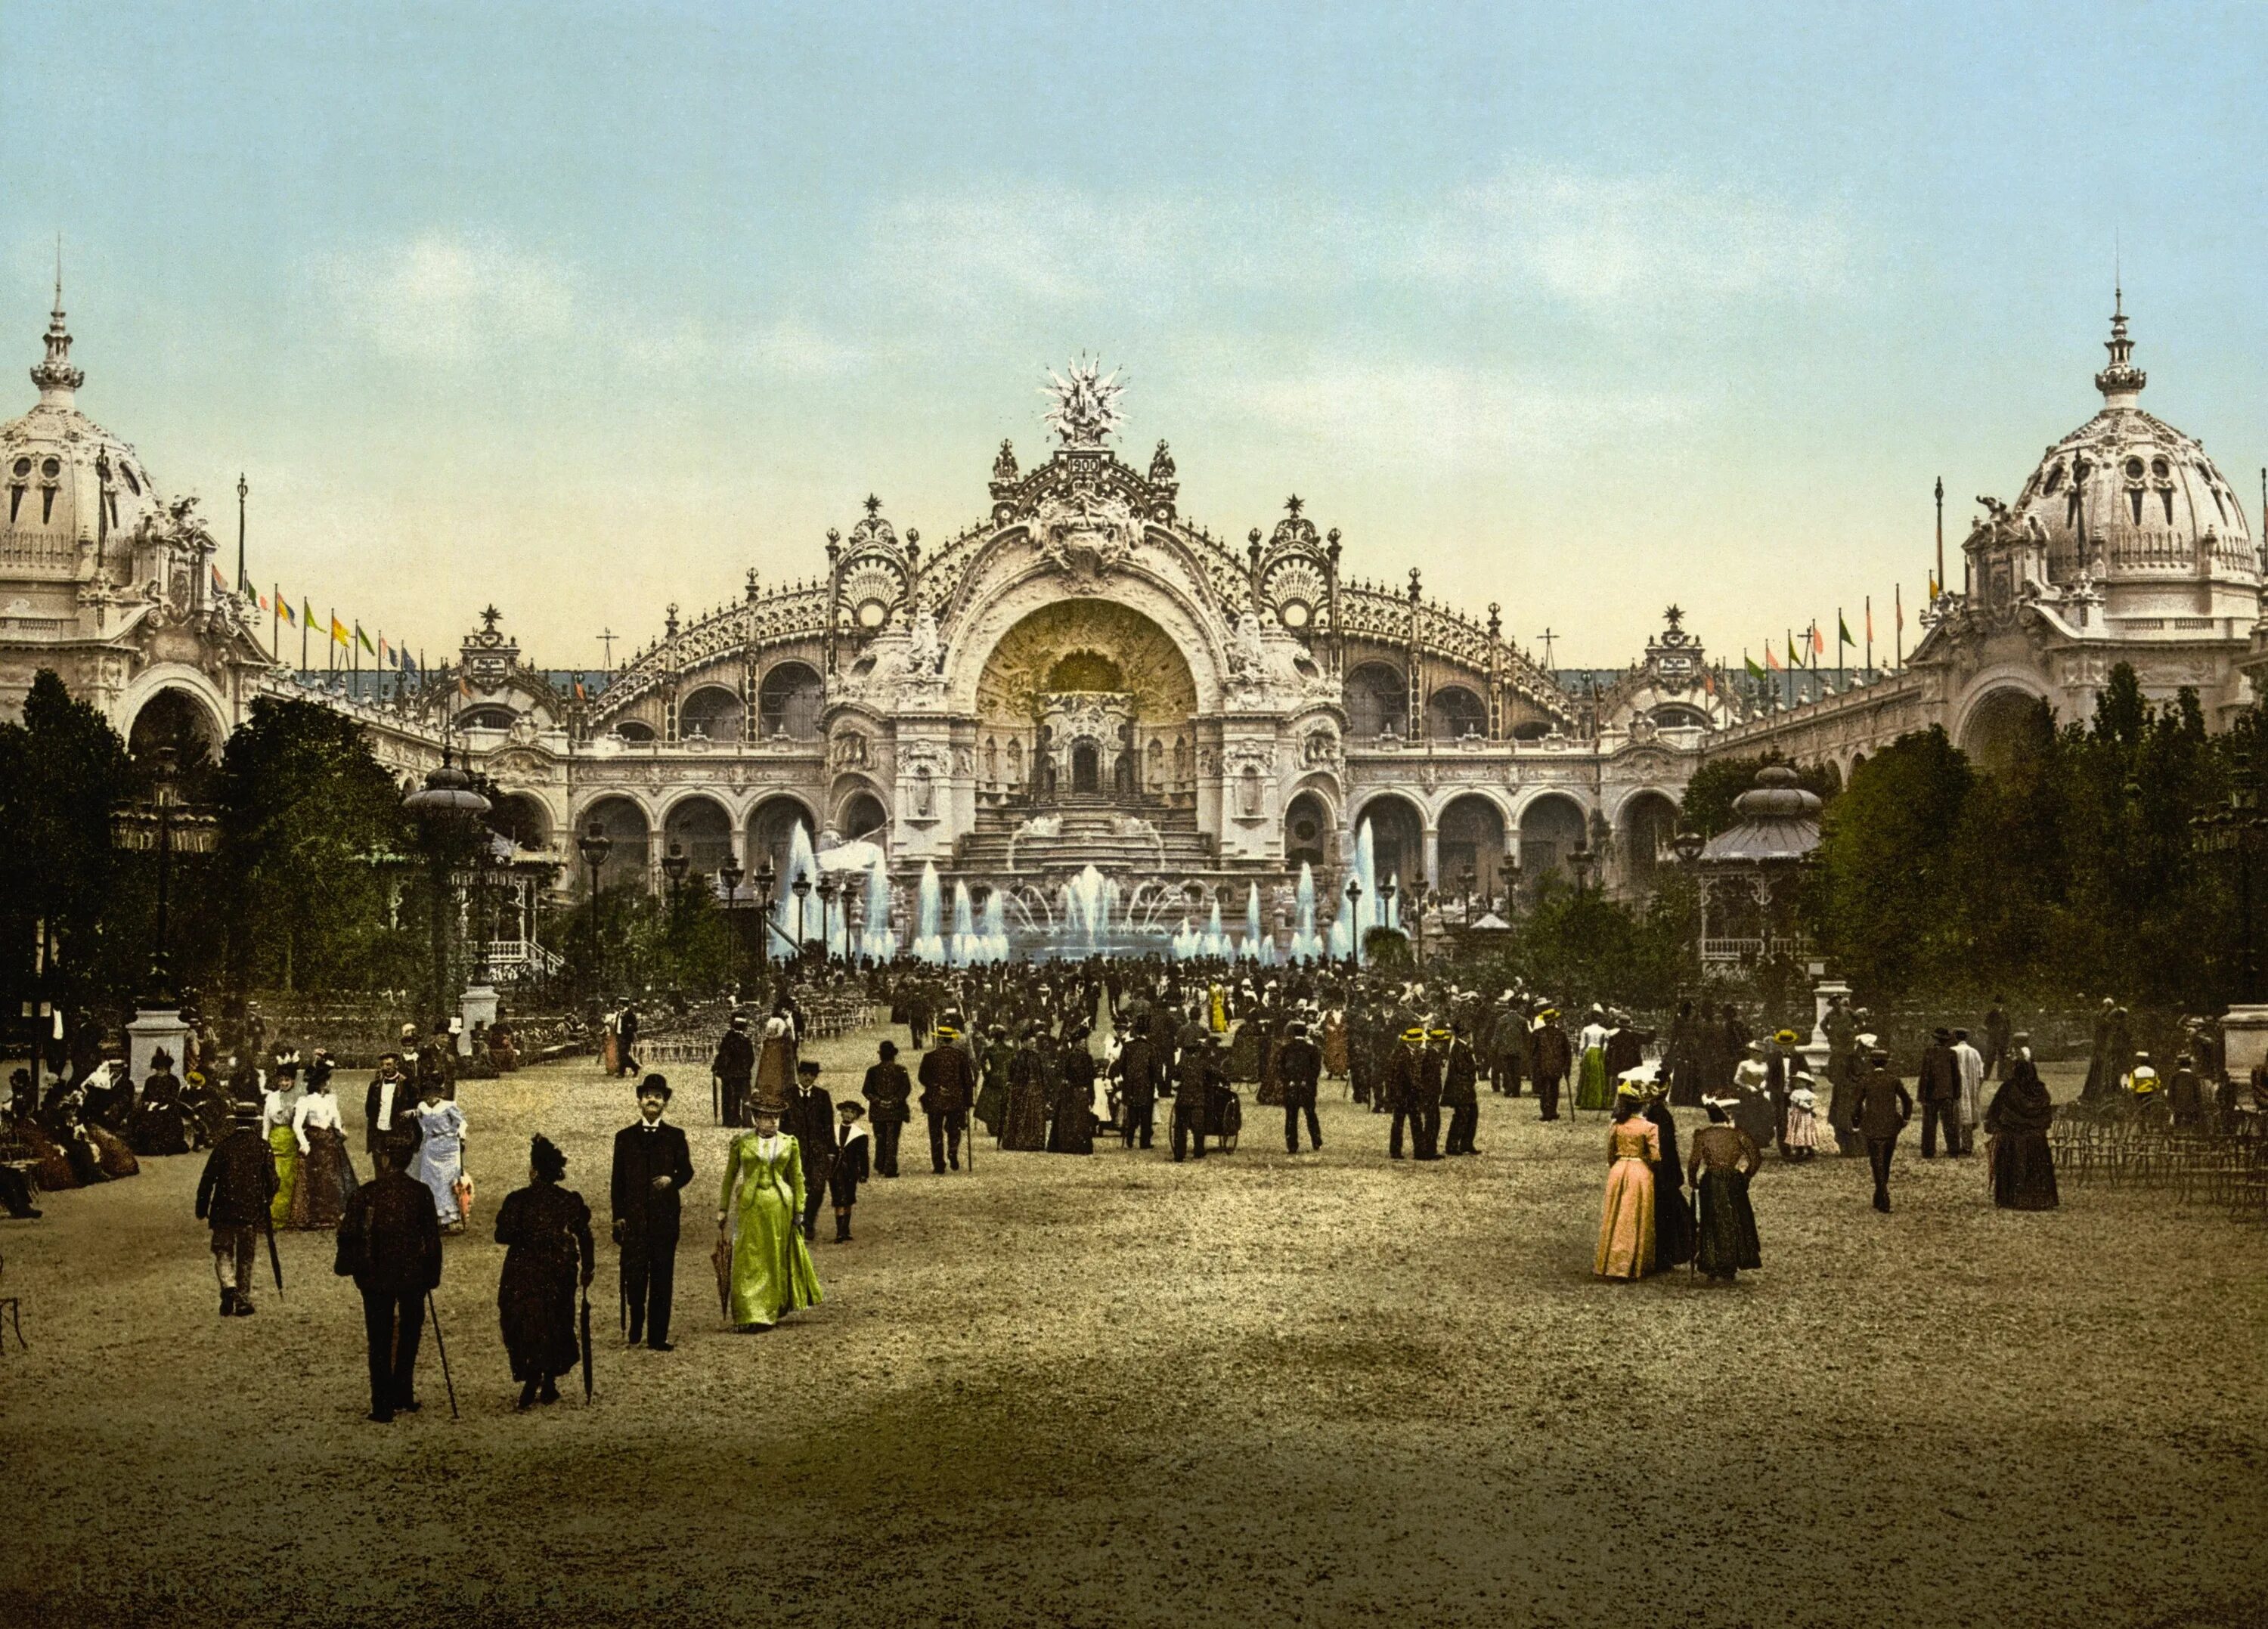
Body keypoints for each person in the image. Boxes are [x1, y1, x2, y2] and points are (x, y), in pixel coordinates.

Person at [335, 1128, 443, 1421]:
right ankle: (403, 1393)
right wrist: (432, 1275)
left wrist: (352, 1268)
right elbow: (432, 1239)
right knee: (410, 1333)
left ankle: (382, 1404)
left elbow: (349, 1236)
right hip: (413, 1276)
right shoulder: (421, 1193)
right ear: (408, 1160)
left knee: (379, 1339)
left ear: (384, 1160)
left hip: (376, 1276)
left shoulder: (366, 1194)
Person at [494, 1135, 596, 1409]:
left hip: (523, 1270)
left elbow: (501, 1235)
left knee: (524, 1322)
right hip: (558, 1270)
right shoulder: (567, 1200)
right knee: (556, 1321)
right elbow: (585, 1236)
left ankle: (531, 1377)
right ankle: (549, 1380)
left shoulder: (517, 1200)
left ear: (534, 1171)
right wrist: (588, 1267)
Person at [717, 1103, 823, 1331]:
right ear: (755, 1118)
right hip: (750, 1206)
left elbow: (797, 1177)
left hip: (779, 1206)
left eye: (776, 1117)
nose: (772, 1122)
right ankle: (748, 1313)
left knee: (774, 1256)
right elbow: (729, 1176)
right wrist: (723, 1208)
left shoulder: (789, 1142)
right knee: (749, 1256)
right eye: (766, 1117)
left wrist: (799, 1210)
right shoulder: (742, 1142)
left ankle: (769, 1311)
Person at [610, 1073, 694, 1351]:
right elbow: (617, 1181)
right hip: (634, 1220)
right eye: (648, 1095)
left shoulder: (675, 1136)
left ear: (665, 1103)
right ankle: (636, 1322)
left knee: (661, 1277)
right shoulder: (624, 1138)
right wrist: (618, 1216)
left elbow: (687, 1172)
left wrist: (672, 1180)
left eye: (658, 1096)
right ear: (639, 1100)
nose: (652, 1100)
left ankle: (658, 1335)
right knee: (634, 1275)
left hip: (664, 1219)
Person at [194, 1101, 278, 1318]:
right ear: (254, 1123)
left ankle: (228, 1285)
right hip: (249, 1211)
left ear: (236, 1123)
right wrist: (266, 1200)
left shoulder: (224, 1146)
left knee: (222, 1250)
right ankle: (242, 1300)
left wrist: (202, 1206)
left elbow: (207, 1179)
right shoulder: (262, 1147)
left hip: (223, 1210)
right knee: (245, 1256)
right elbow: (273, 1181)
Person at [1687, 1095, 1763, 1284]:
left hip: (1711, 1179)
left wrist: (1693, 1181)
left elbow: (1694, 1162)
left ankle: (1712, 1262)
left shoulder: (1703, 1135)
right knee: (1735, 1220)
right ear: (1727, 1116)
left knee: (1711, 1222)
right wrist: (1745, 1176)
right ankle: (1731, 1264)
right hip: (1733, 1179)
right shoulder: (1738, 1135)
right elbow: (1755, 1158)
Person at [1984, 1034, 2059, 1211]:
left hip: (2012, 1139)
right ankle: (2038, 1198)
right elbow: (2047, 1116)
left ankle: (2012, 1198)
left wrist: (1995, 1126)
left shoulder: (2009, 1088)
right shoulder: (2040, 1091)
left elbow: (1994, 1112)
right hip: (2035, 1140)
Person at [1594, 1087, 1659, 1281]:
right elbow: (1655, 1156)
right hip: (1639, 1171)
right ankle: (1631, 1263)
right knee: (1634, 1216)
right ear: (1644, 1104)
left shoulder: (1617, 1125)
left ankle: (1611, 1261)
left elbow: (1610, 1153)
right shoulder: (1650, 1127)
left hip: (1619, 1169)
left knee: (1615, 1215)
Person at [290, 1059, 361, 1229]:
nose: (329, 1083)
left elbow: (335, 1118)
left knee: (333, 1176)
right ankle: (317, 1215)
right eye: (326, 1081)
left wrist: (340, 1130)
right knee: (317, 1178)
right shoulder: (305, 1101)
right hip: (315, 1141)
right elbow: (297, 1125)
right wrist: (304, 1143)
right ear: (320, 1083)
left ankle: (332, 1213)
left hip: (330, 1141)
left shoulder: (331, 1099)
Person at [782, 1060, 838, 1240]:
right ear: (799, 1074)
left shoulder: (822, 1096)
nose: (808, 1078)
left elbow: (828, 1125)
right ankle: (796, 1223)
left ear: (815, 1077)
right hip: (793, 1150)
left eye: (812, 1075)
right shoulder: (786, 1095)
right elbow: (781, 1126)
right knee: (793, 1187)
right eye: (805, 1074)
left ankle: (809, 1222)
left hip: (817, 1150)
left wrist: (830, 1150)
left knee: (818, 1188)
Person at [1642, 1083, 1695, 1271]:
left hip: (1661, 1172)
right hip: (1666, 1171)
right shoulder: (1661, 1114)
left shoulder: (1657, 1116)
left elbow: (1662, 1147)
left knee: (1663, 1212)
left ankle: (1663, 1255)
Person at [1855, 1048, 1914, 1213]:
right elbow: (1907, 1101)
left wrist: (1856, 1122)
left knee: (1876, 1162)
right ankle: (1881, 1195)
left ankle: (1882, 1196)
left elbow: (1857, 1104)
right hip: (1890, 1125)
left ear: (1871, 1062)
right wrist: (1905, 1119)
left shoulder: (1865, 1080)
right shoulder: (1893, 1080)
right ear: (1887, 1062)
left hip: (1872, 1124)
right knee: (1886, 1161)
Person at [410, 1079, 469, 1231]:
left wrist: (460, 1136)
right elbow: (421, 1123)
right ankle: (434, 1217)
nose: (430, 1097)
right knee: (429, 1180)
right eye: (427, 1094)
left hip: (448, 1146)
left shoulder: (449, 1106)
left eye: (433, 1093)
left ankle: (451, 1219)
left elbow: (462, 1122)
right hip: (431, 1146)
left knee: (448, 1180)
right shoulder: (422, 1107)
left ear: (439, 1093)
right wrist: (426, 1134)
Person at [918, 1021, 975, 1173]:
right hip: (956, 1099)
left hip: (935, 1099)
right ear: (951, 1040)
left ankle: (939, 1164)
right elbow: (968, 1081)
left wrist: (935, 1086)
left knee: (935, 1132)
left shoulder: (929, 1057)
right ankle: (953, 1150)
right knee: (954, 1129)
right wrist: (969, 1101)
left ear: (940, 1040)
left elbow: (922, 1077)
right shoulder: (960, 1056)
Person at [861, 1039, 911, 1178]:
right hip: (896, 1110)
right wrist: (894, 1101)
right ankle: (890, 1166)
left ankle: (881, 1163)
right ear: (893, 1055)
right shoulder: (901, 1070)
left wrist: (879, 1101)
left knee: (880, 1137)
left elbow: (866, 1090)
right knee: (893, 1139)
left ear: (880, 1055)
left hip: (878, 1111)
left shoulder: (872, 1071)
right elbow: (906, 1089)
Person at [261, 1054, 301, 1225]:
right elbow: (266, 1123)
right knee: (272, 1176)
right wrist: (264, 1143)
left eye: (288, 1080)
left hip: (290, 1139)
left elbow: (299, 1123)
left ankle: (282, 1216)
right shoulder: (271, 1097)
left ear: (293, 1081)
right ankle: (269, 1214)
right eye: (281, 1080)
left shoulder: (298, 1098)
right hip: (274, 1138)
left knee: (286, 1178)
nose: (284, 1083)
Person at [1278, 1018, 1323, 1154]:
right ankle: (1316, 1140)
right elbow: (1316, 1069)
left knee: (1291, 1116)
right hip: (1307, 1087)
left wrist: (1288, 1081)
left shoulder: (1286, 1049)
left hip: (1291, 1086)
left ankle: (1292, 1145)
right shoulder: (1312, 1049)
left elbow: (1280, 1068)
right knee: (1310, 1114)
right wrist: (1306, 1081)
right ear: (1305, 1033)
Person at [1115, 1021, 1162, 1151]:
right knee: (1146, 1113)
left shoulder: (1127, 1046)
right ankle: (1144, 1142)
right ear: (1147, 1033)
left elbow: (1122, 1066)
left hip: (1130, 1084)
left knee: (1132, 1112)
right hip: (1146, 1084)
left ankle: (1130, 1138)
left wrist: (1128, 1078)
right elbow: (1155, 1068)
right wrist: (1155, 1081)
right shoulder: (1152, 1048)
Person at [1049, 1030, 1097, 1154]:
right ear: (1075, 1043)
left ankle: (1074, 1145)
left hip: (1078, 1091)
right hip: (1073, 1092)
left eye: (1084, 1042)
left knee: (1078, 1119)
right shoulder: (1071, 1056)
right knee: (1074, 1119)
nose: (1083, 1044)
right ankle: (1072, 1145)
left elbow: (1091, 1078)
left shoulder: (1084, 1057)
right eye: (1080, 1042)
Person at [1917, 1027, 1963, 1159]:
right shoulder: (1951, 1053)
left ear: (1935, 1039)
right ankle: (1953, 1150)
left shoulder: (1929, 1052)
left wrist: (1922, 1095)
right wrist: (1957, 1093)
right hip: (1947, 1093)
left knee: (1929, 1124)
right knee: (1950, 1123)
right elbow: (1956, 1076)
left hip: (1930, 1094)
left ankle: (1928, 1151)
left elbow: (1925, 1074)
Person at [829, 1101, 869, 1242]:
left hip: (851, 1171)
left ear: (856, 1116)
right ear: (841, 1113)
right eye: (846, 1111)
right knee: (839, 1199)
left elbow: (863, 1156)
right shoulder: (832, 1130)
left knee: (849, 1199)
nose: (848, 1114)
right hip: (835, 1170)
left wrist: (864, 1173)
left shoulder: (860, 1135)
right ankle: (840, 1231)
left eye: (852, 1112)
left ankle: (846, 1229)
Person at [364, 1051, 415, 1160]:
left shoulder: (407, 1084)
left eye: (388, 1065)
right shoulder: (375, 1085)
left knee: (396, 1166)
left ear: (396, 1065)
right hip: (379, 1132)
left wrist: (411, 1112)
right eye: (382, 1065)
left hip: (397, 1133)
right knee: (379, 1164)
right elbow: (369, 1110)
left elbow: (415, 1105)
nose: (385, 1068)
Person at [712, 1012, 755, 1127]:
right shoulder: (746, 1040)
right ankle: (747, 1120)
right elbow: (751, 1058)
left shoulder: (728, 1039)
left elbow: (723, 1056)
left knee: (730, 1097)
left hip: (730, 1074)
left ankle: (731, 1119)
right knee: (745, 1098)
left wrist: (718, 1068)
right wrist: (746, 1069)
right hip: (743, 1074)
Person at [1529, 1008, 1570, 1122]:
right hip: (1557, 1066)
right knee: (1554, 1088)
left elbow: (1533, 1052)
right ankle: (1553, 1111)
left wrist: (1534, 1066)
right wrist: (1567, 1068)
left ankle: (1546, 1112)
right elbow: (1567, 1052)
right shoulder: (1561, 1034)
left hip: (1542, 1065)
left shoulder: (1537, 1033)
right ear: (1555, 1020)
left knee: (1544, 1089)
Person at [1953, 1027, 1985, 1154]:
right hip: (1972, 1089)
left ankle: (1958, 1145)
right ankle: (1968, 1145)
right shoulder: (1975, 1053)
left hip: (1957, 1089)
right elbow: (1981, 1075)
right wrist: (1976, 1089)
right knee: (1969, 1115)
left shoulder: (1953, 1051)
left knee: (1957, 1116)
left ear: (1956, 1037)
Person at [1575, 1005, 1612, 1113]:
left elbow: (1582, 1045)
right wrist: (1603, 1055)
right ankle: (1598, 1101)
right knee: (1599, 1077)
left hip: (1589, 1052)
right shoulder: (1604, 1030)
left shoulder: (1586, 1029)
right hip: (1599, 1052)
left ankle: (1586, 1101)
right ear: (1600, 1019)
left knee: (1587, 1075)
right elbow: (1605, 1046)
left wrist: (1581, 1055)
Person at [1783, 1073, 1823, 1163]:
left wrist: (1811, 1109)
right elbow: (1797, 1104)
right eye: (1797, 1082)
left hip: (1806, 1116)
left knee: (1806, 1131)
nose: (1798, 1084)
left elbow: (1812, 1103)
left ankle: (1809, 1150)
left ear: (1806, 1083)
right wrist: (1805, 1107)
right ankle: (1799, 1150)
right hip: (1799, 1115)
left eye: (1801, 1082)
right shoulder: (1795, 1093)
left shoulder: (1808, 1093)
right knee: (1799, 1131)